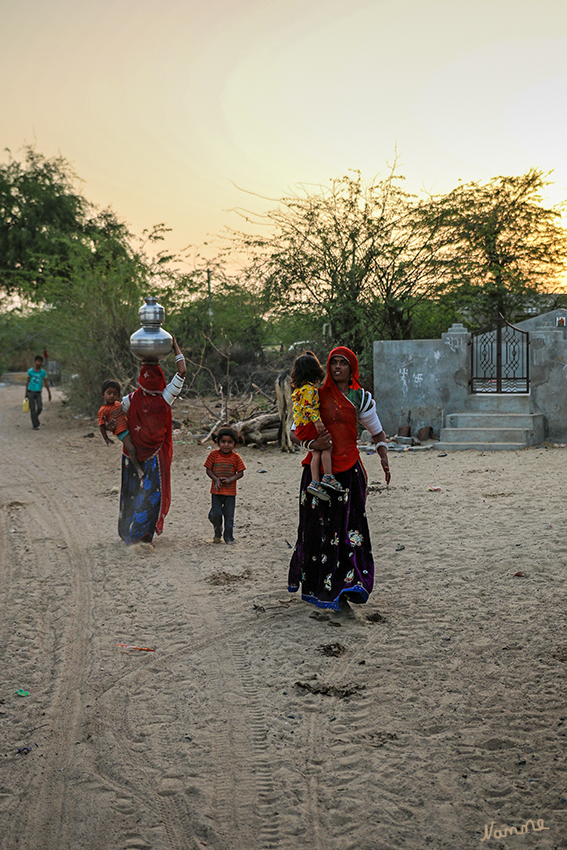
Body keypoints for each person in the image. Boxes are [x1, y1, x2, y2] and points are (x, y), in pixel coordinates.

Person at [288, 346, 391, 613]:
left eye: (343, 363)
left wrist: (383, 457)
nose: (337, 368)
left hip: (348, 473)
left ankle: (348, 586)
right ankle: (317, 588)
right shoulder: (314, 395)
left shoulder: (361, 397)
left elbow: (377, 433)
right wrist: (312, 442)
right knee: (317, 531)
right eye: (333, 363)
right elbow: (294, 433)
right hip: (317, 475)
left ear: (352, 368)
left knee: (349, 530)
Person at [117, 338, 186, 545]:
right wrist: (175, 347)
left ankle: (129, 531)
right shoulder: (166, 396)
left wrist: (122, 435)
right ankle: (140, 535)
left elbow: (116, 414)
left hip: (132, 453)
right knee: (151, 494)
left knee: (131, 492)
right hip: (155, 454)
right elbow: (181, 372)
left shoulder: (132, 398)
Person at [290, 351, 344, 502]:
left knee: (315, 452)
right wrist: (317, 421)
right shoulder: (310, 389)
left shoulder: (298, 391)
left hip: (301, 427)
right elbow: (309, 408)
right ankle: (328, 477)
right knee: (326, 446)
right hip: (309, 425)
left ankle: (315, 482)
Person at [204, 427, 246, 544]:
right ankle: (217, 531)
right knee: (216, 514)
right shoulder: (213, 455)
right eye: (223, 442)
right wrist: (216, 479)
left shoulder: (236, 457)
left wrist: (229, 479)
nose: (226, 445)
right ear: (218, 442)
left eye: (230, 442)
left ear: (235, 443)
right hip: (216, 491)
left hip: (230, 492)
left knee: (229, 517)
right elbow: (208, 470)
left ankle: (229, 538)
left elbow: (241, 473)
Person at [98, 380, 144, 478]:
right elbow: (102, 425)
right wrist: (106, 438)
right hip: (121, 431)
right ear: (102, 394)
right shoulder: (103, 410)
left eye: (115, 394)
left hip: (130, 427)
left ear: (118, 395)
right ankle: (138, 469)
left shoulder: (119, 404)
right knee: (131, 449)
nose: (111, 396)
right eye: (109, 393)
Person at [24, 355, 52, 430]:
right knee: (32, 408)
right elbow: (27, 382)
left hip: (38, 392)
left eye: (40, 361)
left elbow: (46, 383)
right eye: (38, 361)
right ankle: (35, 425)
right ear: (35, 361)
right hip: (31, 392)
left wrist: (49, 393)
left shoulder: (43, 372)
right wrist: (26, 393)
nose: (39, 363)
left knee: (39, 407)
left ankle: (35, 418)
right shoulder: (30, 371)